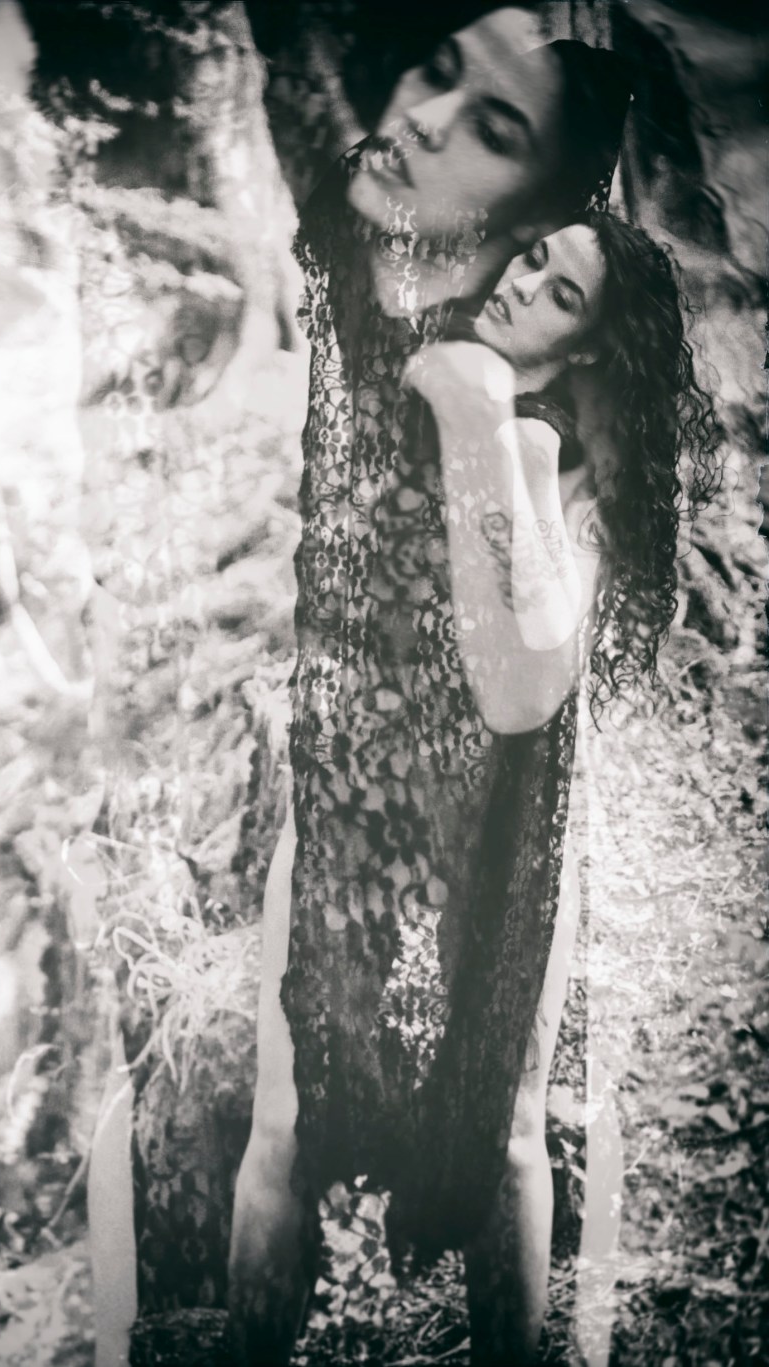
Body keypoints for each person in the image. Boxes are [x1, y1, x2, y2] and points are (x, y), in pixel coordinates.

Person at [226, 17, 721, 1367]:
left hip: (503, 806)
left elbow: (529, 679)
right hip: (363, 765)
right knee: (285, 1115)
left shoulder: (554, 438)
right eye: (534, 261)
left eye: (558, 289)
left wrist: (487, 424)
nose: (525, 284)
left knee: (501, 1127)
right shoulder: (419, 311)